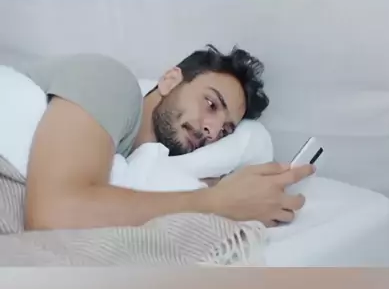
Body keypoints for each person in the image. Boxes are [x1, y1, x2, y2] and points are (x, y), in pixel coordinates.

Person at [5, 44, 313, 231]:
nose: (212, 130)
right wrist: (216, 203)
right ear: (169, 80)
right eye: (211, 104)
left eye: (225, 130)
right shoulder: (112, 82)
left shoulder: (136, 164)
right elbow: (52, 213)